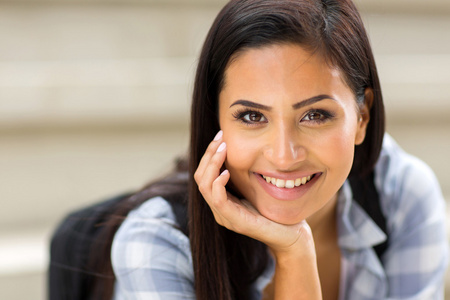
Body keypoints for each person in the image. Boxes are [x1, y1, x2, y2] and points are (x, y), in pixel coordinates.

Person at [99, 0, 448, 299]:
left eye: (315, 115)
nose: (284, 156)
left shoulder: (402, 195)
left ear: (361, 117)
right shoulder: (155, 240)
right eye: (252, 116)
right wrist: (294, 251)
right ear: (215, 119)